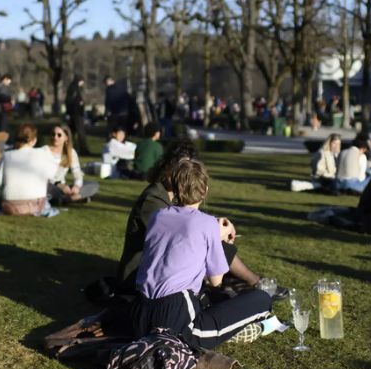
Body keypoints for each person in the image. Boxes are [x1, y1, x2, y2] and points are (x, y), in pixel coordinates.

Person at [127, 159, 273, 350]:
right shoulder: (208, 224)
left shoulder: (158, 216)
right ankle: (261, 325)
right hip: (175, 322)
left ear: (176, 188)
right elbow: (216, 281)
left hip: (139, 316)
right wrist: (225, 243)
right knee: (262, 298)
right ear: (204, 191)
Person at [116, 139, 269, 296]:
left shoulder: (167, 197)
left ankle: (248, 282)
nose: (185, 175)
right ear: (168, 166)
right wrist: (213, 232)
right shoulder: (153, 200)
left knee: (211, 239)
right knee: (213, 243)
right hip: (142, 277)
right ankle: (254, 282)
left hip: (159, 272)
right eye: (181, 168)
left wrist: (211, 226)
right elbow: (172, 236)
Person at [0, 123, 58, 216]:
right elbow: (53, 175)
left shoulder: (6, 156)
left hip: (9, 206)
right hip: (36, 206)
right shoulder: (43, 153)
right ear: (34, 140)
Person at [46, 124, 98, 203]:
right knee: (47, 189)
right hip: (49, 185)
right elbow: (40, 176)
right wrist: (58, 184)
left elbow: (77, 173)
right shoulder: (44, 151)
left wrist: (76, 186)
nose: (55, 137)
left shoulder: (71, 152)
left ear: (66, 138)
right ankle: (72, 198)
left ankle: (68, 198)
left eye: (59, 135)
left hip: (64, 188)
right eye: (53, 134)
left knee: (94, 185)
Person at [64, 75, 91, 155]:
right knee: (80, 132)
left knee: (71, 132)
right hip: (76, 113)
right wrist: (80, 104)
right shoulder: (74, 89)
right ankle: (83, 150)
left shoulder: (73, 88)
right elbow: (71, 101)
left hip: (74, 113)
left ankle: (68, 148)